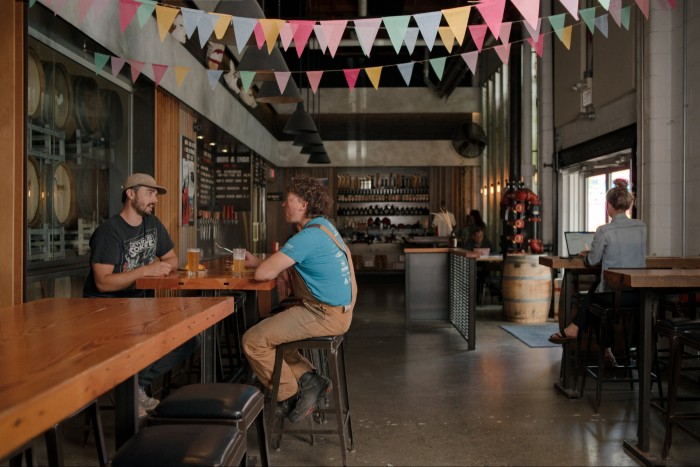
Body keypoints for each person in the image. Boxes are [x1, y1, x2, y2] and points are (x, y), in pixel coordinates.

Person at [242, 175, 357, 423]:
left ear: (303, 204)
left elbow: (263, 275)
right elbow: (274, 265)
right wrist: (261, 263)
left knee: (253, 341)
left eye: (288, 200)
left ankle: (288, 397)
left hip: (324, 314)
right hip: (338, 312)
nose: (284, 204)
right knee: (279, 339)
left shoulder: (307, 237)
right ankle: (310, 380)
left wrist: (264, 267)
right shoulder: (324, 227)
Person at [83, 173, 200, 417]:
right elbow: (102, 283)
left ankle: (131, 384)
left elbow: (171, 258)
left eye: (156, 194)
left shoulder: (153, 225)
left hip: (141, 308)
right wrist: (146, 270)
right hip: (107, 311)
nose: (155, 199)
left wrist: (162, 268)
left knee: (188, 338)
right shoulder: (109, 232)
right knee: (148, 340)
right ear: (131, 193)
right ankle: (129, 388)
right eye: (150, 193)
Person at [548, 179, 646, 366]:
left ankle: (588, 338)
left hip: (614, 297)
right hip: (637, 295)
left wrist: (586, 255)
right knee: (597, 293)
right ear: (629, 204)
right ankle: (607, 350)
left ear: (608, 206)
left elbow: (592, 260)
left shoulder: (604, 230)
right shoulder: (642, 227)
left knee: (596, 296)